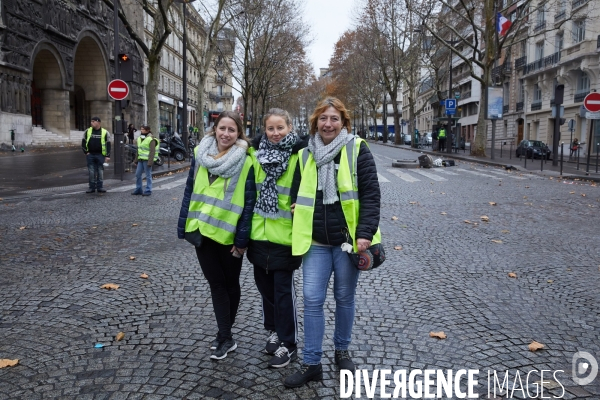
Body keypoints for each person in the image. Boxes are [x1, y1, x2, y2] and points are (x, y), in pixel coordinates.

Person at [284, 97, 381, 388]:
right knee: (312, 300)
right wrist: (293, 206)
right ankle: (312, 362)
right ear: (315, 123)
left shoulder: (357, 149)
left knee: (344, 298)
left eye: (334, 119)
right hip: (314, 241)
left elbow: (371, 194)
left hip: (347, 242)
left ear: (344, 123)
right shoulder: (305, 154)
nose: (328, 124)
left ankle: (341, 350)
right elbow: (295, 190)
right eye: (323, 119)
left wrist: (365, 233)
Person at [177, 111, 256, 360]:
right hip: (202, 231)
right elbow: (190, 191)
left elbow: (249, 204)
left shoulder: (246, 161)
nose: (226, 134)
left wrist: (242, 241)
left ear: (238, 133)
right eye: (222, 128)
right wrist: (183, 226)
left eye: (232, 130)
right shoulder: (200, 155)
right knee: (217, 285)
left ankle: (225, 334)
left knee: (231, 285)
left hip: (229, 236)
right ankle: (226, 335)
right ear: (215, 129)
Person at [247, 108, 307, 369]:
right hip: (259, 235)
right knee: (265, 292)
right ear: (264, 130)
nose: (275, 133)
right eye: (270, 128)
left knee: (283, 294)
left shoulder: (299, 155)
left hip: (285, 237)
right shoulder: (255, 154)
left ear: (290, 127)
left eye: (280, 128)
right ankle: (272, 331)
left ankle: (288, 342)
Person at [82, 116, 111, 193]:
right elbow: (83, 142)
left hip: (100, 155)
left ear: (98, 122)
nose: (91, 123)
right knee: (91, 171)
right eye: (91, 121)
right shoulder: (87, 131)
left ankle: (100, 187)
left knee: (100, 171)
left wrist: (107, 155)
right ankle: (91, 187)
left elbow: (108, 144)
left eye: (93, 121)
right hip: (90, 154)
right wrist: (86, 152)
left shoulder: (105, 132)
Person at [132, 125, 159, 196]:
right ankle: (139, 189)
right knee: (138, 174)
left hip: (147, 160)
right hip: (140, 159)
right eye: (141, 129)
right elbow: (138, 150)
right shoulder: (139, 138)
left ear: (147, 130)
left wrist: (150, 162)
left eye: (143, 129)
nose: (141, 130)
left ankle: (148, 190)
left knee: (148, 175)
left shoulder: (151, 139)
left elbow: (152, 151)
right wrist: (136, 160)